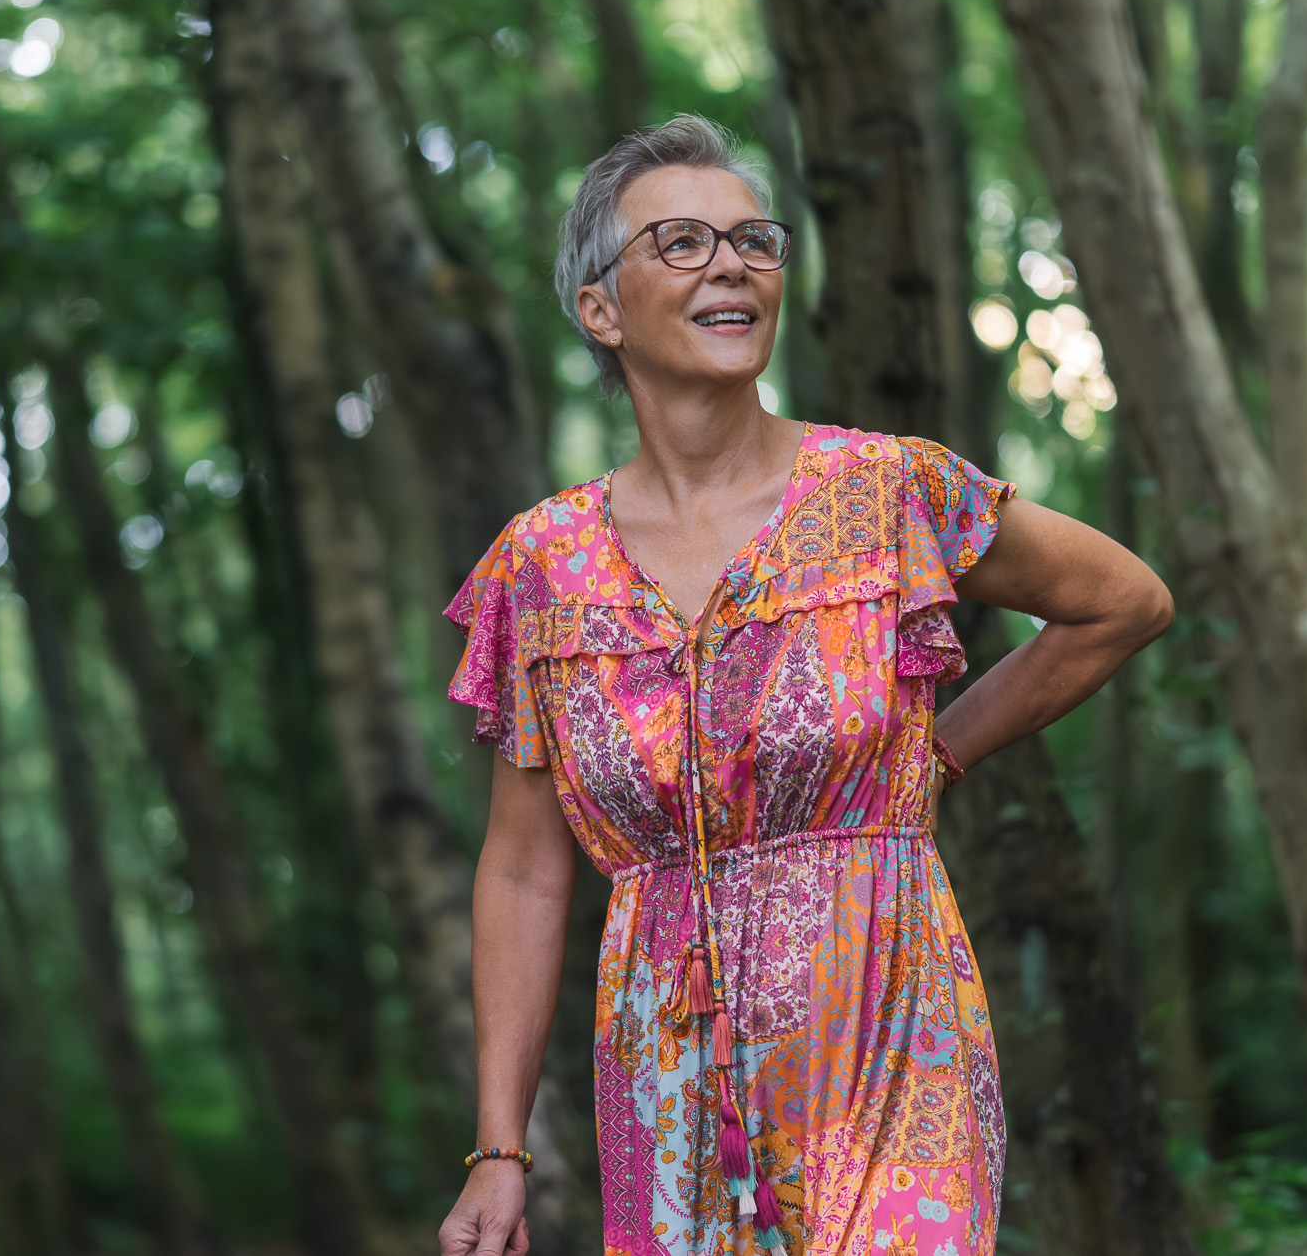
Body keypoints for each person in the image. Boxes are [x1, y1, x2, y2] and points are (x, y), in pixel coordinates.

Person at [436, 115, 1172, 1256]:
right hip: (661, 1068)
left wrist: (934, 753)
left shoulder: (888, 492)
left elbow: (1121, 601)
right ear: (599, 309)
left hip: (886, 1033)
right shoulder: (538, 568)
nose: (730, 262)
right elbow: (526, 870)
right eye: (678, 242)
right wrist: (497, 1149)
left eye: (752, 240)